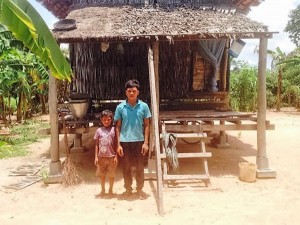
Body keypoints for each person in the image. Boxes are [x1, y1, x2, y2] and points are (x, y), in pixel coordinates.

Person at [114, 79, 151, 200]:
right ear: (126, 93)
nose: (131, 93)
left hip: (139, 141)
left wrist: (146, 143)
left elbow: (147, 125)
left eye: (134, 91)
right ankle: (128, 189)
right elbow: (118, 126)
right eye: (129, 91)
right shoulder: (120, 107)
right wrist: (118, 144)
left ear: (138, 92)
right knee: (126, 167)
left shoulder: (144, 106)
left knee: (140, 167)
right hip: (125, 142)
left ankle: (139, 189)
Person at [94, 110, 118, 198]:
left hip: (111, 157)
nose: (106, 122)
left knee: (111, 175)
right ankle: (102, 190)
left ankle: (110, 190)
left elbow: (116, 144)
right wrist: (96, 157)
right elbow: (96, 144)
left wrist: (116, 156)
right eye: (104, 120)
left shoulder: (114, 130)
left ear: (111, 120)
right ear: (101, 120)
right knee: (102, 175)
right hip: (101, 157)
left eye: (108, 119)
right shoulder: (98, 131)